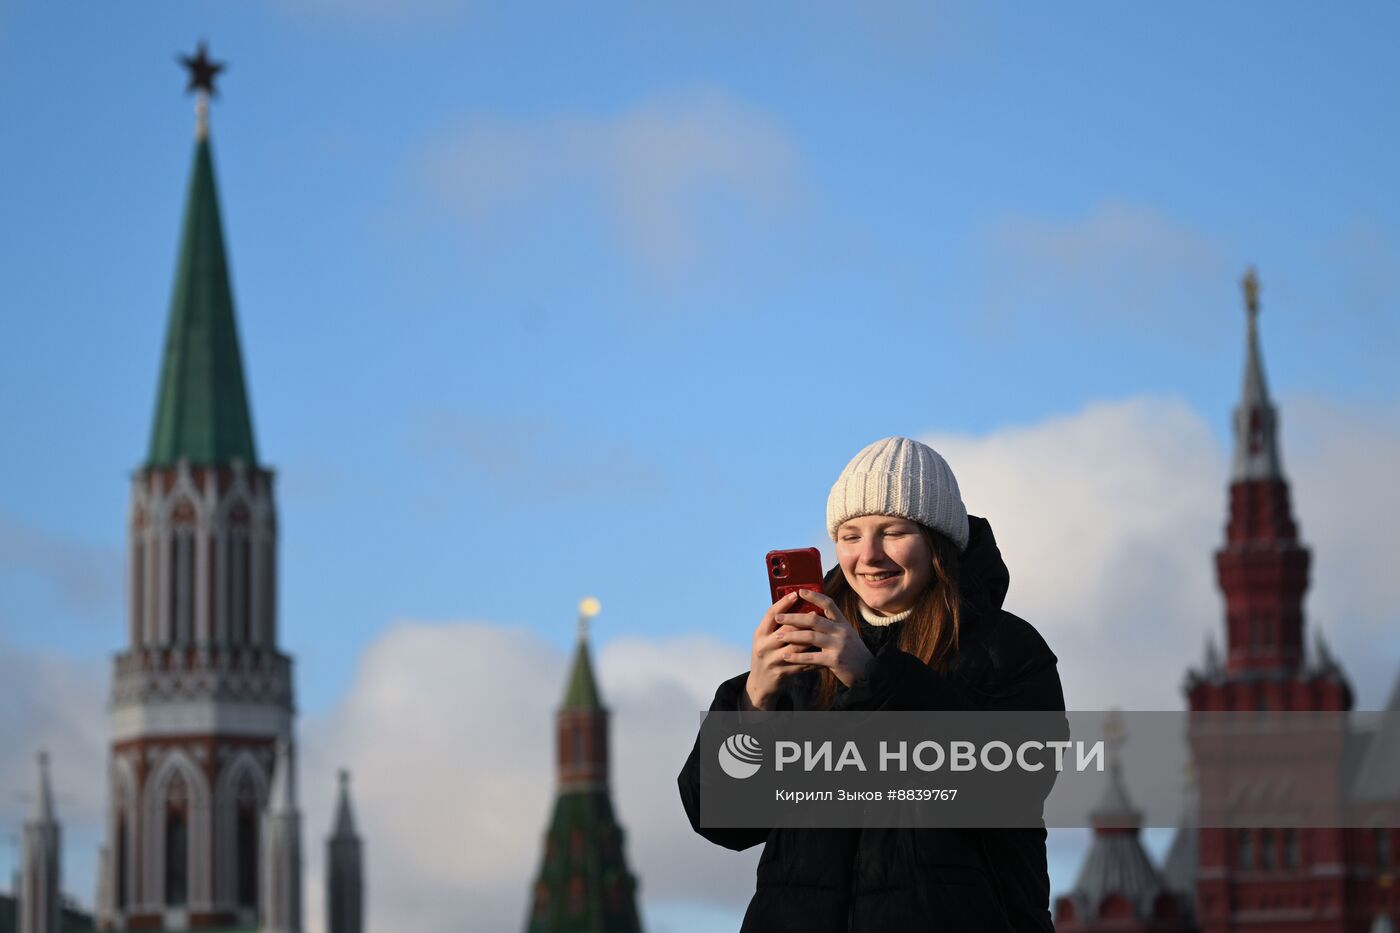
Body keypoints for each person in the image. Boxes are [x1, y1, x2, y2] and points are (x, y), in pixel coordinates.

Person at [677, 436, 1064, 932]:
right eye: (851, 534)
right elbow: (721, 821)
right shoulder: (804, 655)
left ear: (936, 539)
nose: (869, 555)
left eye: (893, 531)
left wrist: (872, 679)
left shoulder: (1008, 648)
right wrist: (754, 700)